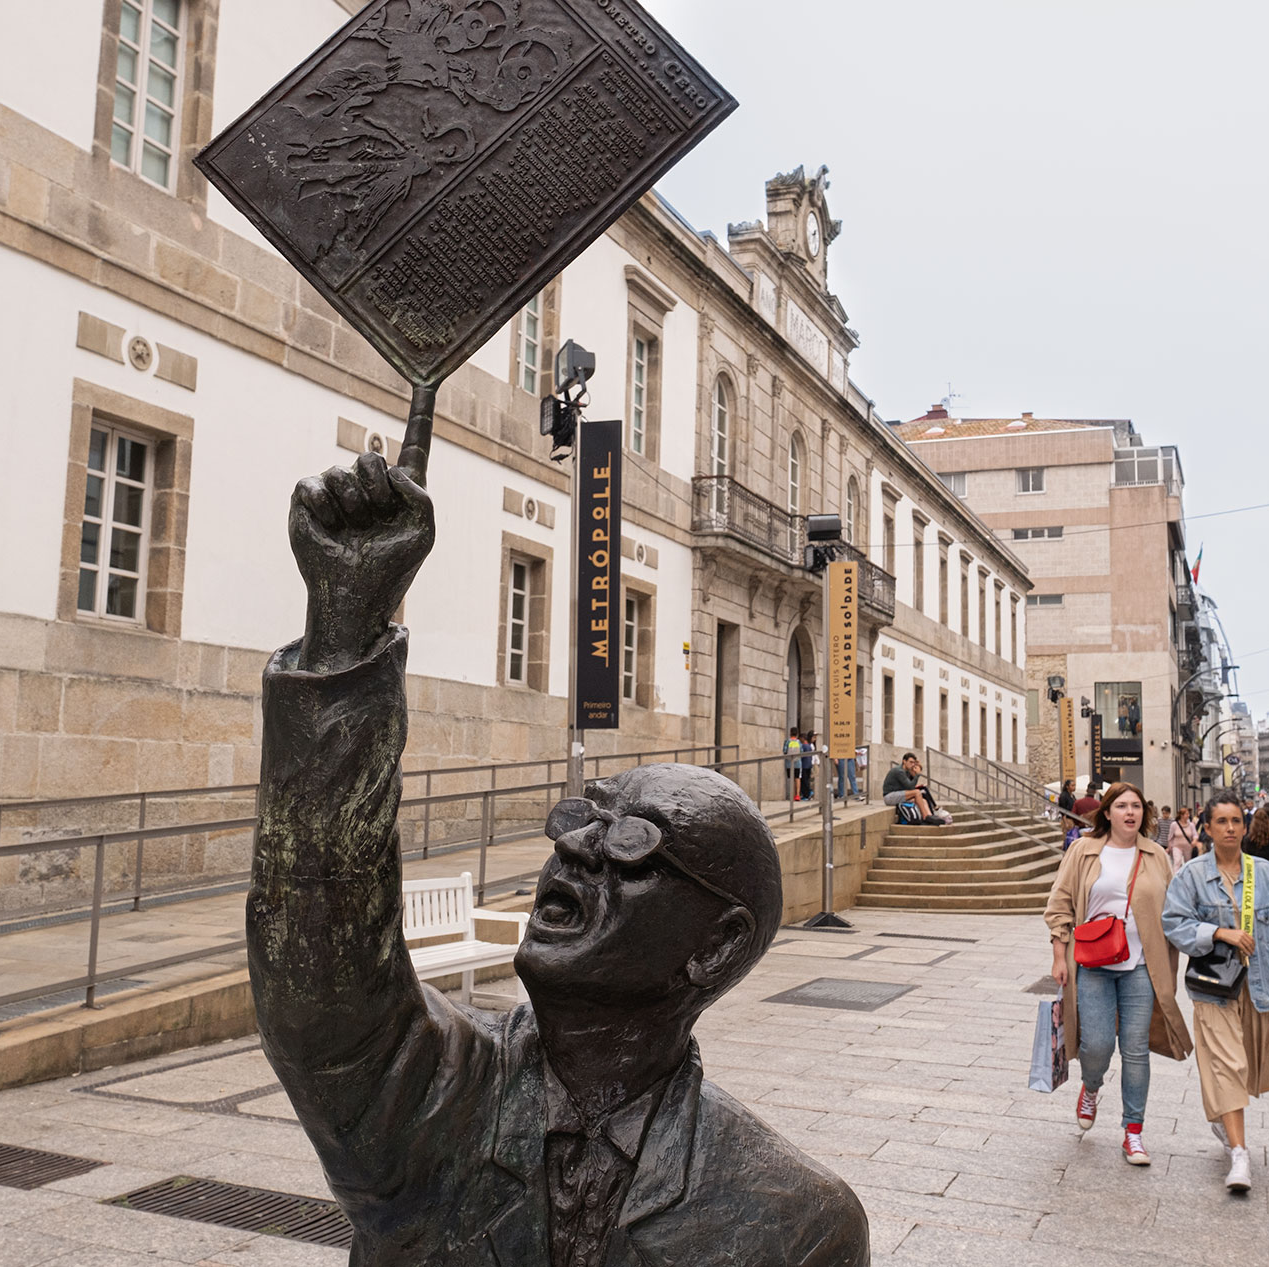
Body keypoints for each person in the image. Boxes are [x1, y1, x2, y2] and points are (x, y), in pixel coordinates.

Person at [250, 453, 869, 1264]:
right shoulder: (431, 1092)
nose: (574, 844)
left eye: (630, 843)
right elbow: (318, 958)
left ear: (715, 945)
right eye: (583, 815)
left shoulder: (793, 1221)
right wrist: (343, 633)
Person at [1163, 790, 1269, 1193]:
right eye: (1221, 822)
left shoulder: (1263, 872)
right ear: (1207, 828)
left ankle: (1222, 1117)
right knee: (1228, 1063)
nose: (1230, 828)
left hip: (1260, 984)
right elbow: (1173, 923)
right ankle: (1240, 1154)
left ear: (1244, 828)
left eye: (1236, 821)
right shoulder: (1192, 875)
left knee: (1245, 1065)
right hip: (1214, 989)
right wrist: (1216, 931)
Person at [1044, 782, 1193, 1166]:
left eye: (1137, 806)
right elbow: (1060, 903)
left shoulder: (1156, 855)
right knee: (1096, 1046)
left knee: (1135, 1050)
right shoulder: (1083, 851)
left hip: (1141, 967)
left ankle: (1133, 1132)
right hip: (1093, 964)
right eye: (1122, 806)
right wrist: (1060, 955)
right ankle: (1091, 1086)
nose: (1131, 812)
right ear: (1107, 812)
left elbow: (1174, 910)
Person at [882, 752, 951, 825]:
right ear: (904, 761)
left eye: (913, 763)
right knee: (917, 792)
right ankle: (925, 817)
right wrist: (917, 775)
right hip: (889, 797)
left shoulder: (907, 771)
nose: (912, 764)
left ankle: (930, 816)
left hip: (898, 795)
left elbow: (910, 784)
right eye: (910, 762)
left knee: (923, 800)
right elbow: (910, 787)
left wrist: (916, 768)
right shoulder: (899, 771)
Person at [783, 727, 804, 802]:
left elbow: (785, 751)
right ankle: (797, 795)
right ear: (797, 734)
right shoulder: (799, 742)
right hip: (797, 763)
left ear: (790, 733)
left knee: (791, 778)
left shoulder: (787, 742)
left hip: (789, 763)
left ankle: (791, 795)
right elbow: (801, 751)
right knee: (797, 778)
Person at [799, 730, 817, 802]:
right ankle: (808, 793)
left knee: (805, 780)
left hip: (805, 765)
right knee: (807, 780)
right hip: (809, 764)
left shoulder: (805, 746)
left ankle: (806, 794)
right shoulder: (809, 746)